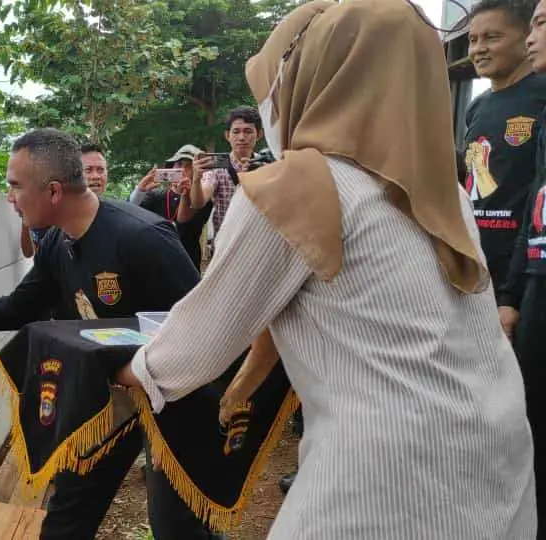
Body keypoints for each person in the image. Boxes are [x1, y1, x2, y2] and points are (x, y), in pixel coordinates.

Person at [114, 1, 536, 537]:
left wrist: (107, 367)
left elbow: (190, 352)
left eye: (274, 84)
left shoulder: (296, 186)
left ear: (315, 77)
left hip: (386, 477)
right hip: (497, 452)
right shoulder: (443, 193)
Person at [0, 128, 220, 540]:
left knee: (180, 529)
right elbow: (19, 308)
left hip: (173, 403)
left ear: (53, 191)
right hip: (105, 400)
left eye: (15, 185)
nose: (10, 197)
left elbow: (204, 329)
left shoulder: (142, 237)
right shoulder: (57, 242)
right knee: (67, 516)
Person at [499, 1, 546, 532]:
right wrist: (512, 295)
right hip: (533, 290)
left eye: (541, 23)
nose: (532, 37)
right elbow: (533, 211)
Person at [464, 0, 546, 301]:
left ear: (526, 39)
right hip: (479, 265)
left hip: (526, 273)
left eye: (492, 38)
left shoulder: (541, 95)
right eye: (473, 40)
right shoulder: (476, 108)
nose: (478, 49)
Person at [130, 144, 214, 268]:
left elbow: (184, 225)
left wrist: (185, 194)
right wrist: (140, 190)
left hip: (187, 264)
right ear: (171, 167)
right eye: (179, 165)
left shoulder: (201, 200)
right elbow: (130, 213)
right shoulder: (156, 196)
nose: (183, 170)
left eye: (189, 166)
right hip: (156, 263)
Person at [188, 107, 265, 240]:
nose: (241, 137)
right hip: (225, 242)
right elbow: (198, 203)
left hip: (257, 240)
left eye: (248, 131)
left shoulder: (266, 166)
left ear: (258, 135)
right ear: (227, 135)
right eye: (236, 132)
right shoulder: (217, 168)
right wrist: (196, 179)